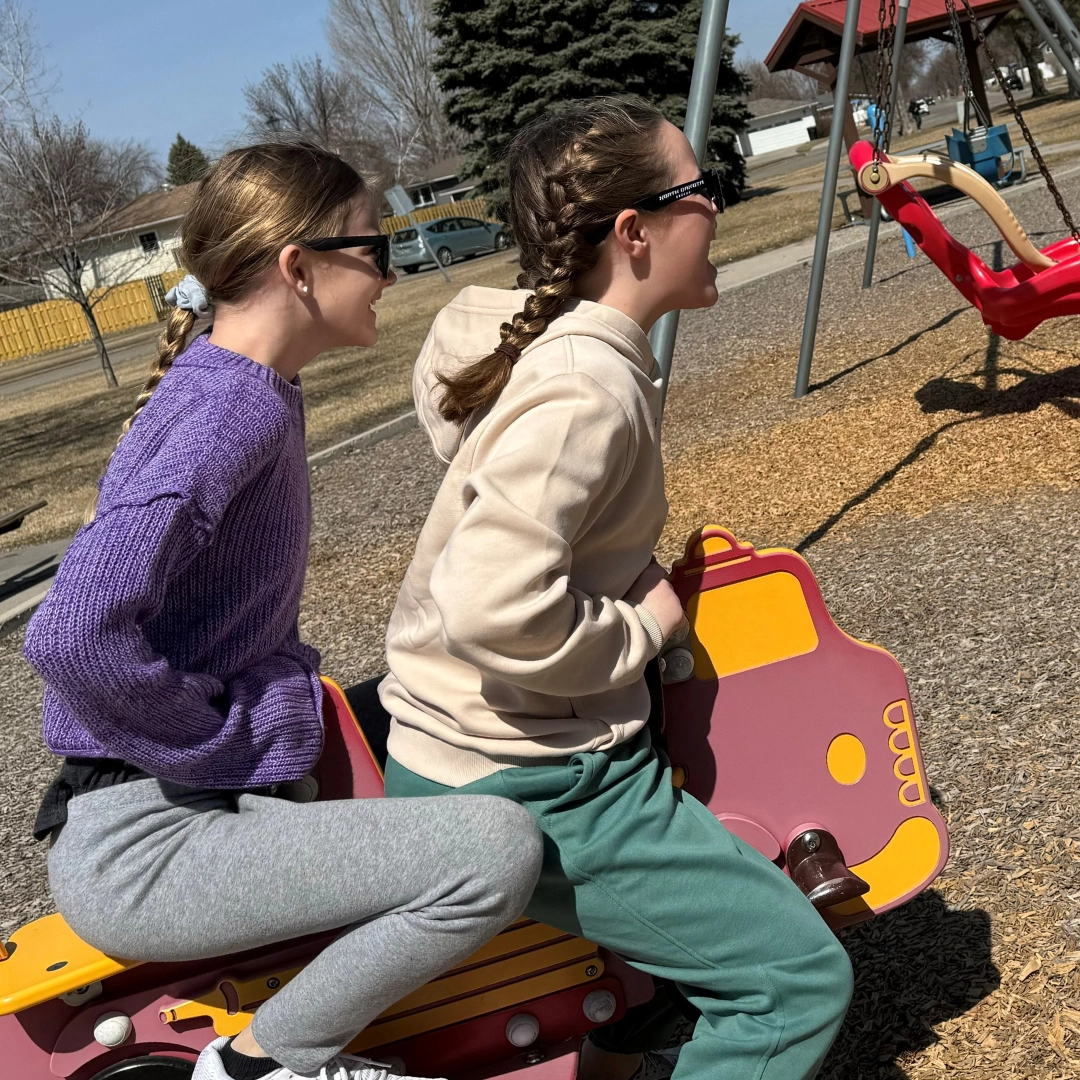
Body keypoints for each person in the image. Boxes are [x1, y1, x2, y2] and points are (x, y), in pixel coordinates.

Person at [23, 140, 542, 1080]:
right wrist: (217, 741)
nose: (387, 271)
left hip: (179, 808)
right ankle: (265, 1063)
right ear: (298, 268)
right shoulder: (232, 411)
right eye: (371, 247)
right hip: (149, 846)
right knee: (494, 851)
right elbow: (69, 634)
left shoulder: (249, 389)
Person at [378, 97, 854, 1080]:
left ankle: (635, 1025)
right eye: (702, 191)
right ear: (634, 233)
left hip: (475, 745)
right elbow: (485, 605)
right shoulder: (586, 389)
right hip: (523, 779)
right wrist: (637, 623)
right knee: (795, 979)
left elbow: (449, 353)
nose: (719, 208)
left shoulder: (533, 335)